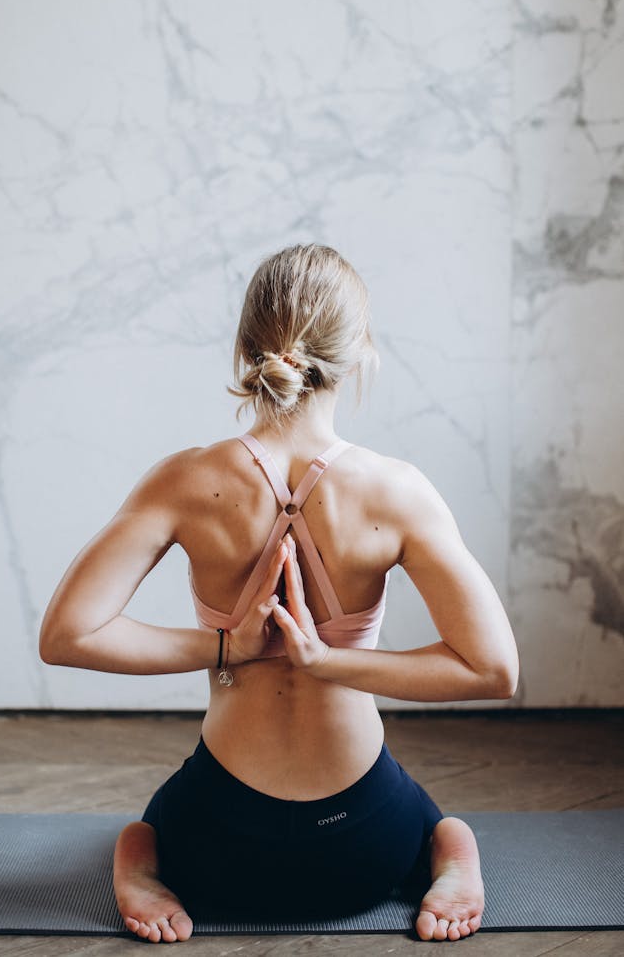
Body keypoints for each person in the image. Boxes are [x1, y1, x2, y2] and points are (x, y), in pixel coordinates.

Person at [39, 243, 519, 944]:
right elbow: (494, 670)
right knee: (432, 822)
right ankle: (449, 851)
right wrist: (328, 662)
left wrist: (229, 645)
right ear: (358, 354)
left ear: (246, 349)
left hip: (214, 849)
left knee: (151, 826)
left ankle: (140, 860)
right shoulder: (397, 491)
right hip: (363, 848)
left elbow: (67, 636)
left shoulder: (184, 480)